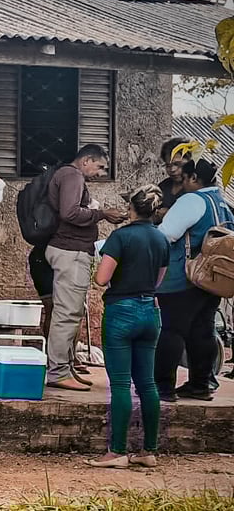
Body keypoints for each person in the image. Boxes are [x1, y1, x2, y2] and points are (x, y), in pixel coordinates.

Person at [86, 185, 169, 468]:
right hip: (150, 311)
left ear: (131, 208)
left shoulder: (120, 237)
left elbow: (101, 278)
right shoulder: (161, 239)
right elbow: (158, 280)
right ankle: (149, 452)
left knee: (121, 384)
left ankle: (117, 451)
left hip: (122, 310)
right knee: (147, 384)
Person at [44, 145, 126, 391]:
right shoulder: (72, 175)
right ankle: (58, 371)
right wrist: (101, 214)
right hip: (70, 251)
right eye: (100, 166)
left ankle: (66, 368)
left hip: (71, 251)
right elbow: (69, 213)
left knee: (72, 312)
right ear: (87, 160)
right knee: (66, 314)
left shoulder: (69, 175)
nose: (101, 173)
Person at [154, 158, 234, 401]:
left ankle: (163, 388)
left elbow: (166, 234)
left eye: (184, 179)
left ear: (194, 179)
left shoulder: (192, 200)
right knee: (203, 330)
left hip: (184, 276)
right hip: (212, 279)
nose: (182, 184)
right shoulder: (221, 202)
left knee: (172, 330)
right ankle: (200, 384)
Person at [154, 136, 194, 224]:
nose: (172, 169)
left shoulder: (197, 188)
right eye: (168, 165)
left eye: (178, 164)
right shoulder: (164, 186)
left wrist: (170, 214)